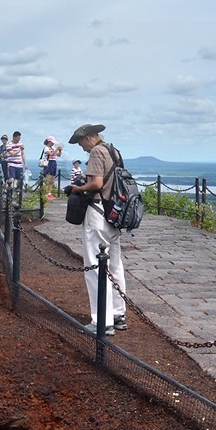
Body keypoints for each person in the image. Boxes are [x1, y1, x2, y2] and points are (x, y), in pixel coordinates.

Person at [64, 123, 128, 336]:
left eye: (81, 142)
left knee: (95, 265)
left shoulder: (97, 152)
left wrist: (78, 188)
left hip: (98, 212)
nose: (82, 147)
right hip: (114, 214)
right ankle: (118, 314)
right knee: (115, 265)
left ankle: (102, 320)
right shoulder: (113, 150)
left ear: (89, 137)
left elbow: (96, 183)